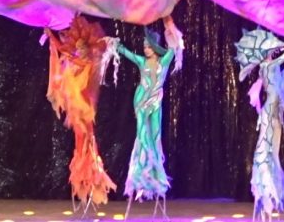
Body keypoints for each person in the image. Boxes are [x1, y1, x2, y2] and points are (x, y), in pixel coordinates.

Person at [107, 15, 183, 218]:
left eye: (149, 46)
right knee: (142, 138)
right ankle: (139, 175)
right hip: (141, 102)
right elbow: (126, 53)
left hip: (156, 103)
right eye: (144, 46)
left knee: (155, 138)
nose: (146, 49)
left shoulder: (164, 61)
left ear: (155, 47)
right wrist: (114, 44)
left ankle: (155, 174)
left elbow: (176, 46)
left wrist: (169, 25)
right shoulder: (142, 61)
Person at [44, 16, 116, 212]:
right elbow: (62, 49)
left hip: (85, 111)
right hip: (76, 113)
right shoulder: (74, 61)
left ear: (87, 48)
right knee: (79, 145)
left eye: (83, 47)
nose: (79, 50)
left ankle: (92, 181)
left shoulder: (90, 65)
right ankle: (83, 186)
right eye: (78, 48)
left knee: (88, 145)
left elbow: (95, 57)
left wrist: (106, 46)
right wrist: (51, 36)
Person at [235, 29, 284, 222]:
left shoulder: (271, 66)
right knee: (265, 152)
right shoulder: (267, 65)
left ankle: (269, 196)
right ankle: (265, 192)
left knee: (274, 156)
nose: (273, 51)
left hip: (276, 113)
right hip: (269, 112)